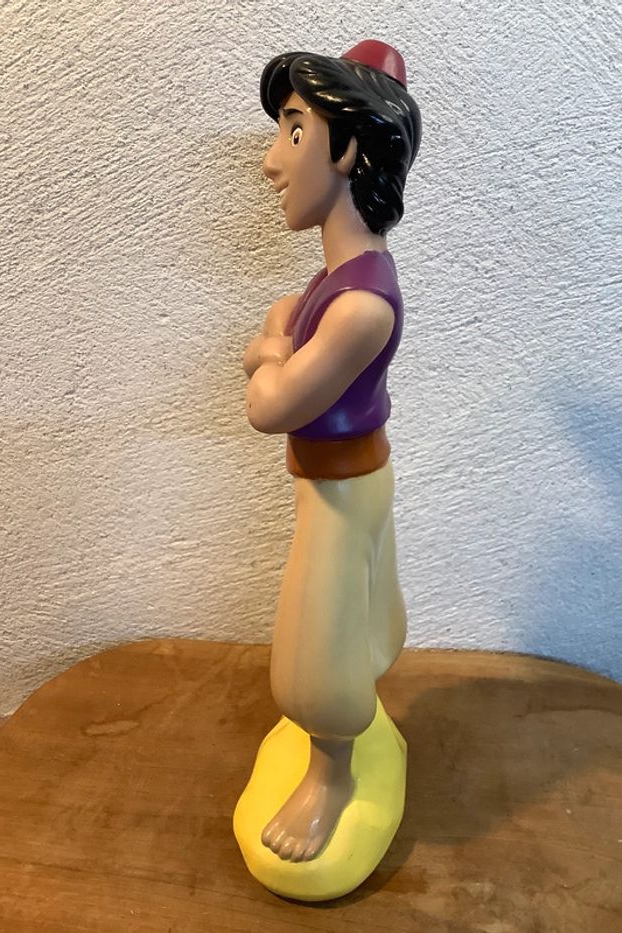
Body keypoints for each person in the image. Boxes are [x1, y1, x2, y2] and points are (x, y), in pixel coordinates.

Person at [243, 40, 421, 865]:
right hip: (335, 485)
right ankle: (332, 756)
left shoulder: (358, 308)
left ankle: (332, 776)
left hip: (344, 492)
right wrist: (278, 341)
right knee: (341, 619)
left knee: (317, 652)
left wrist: (270, 350)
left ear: (347, 150)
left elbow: (268, 405)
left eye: (292, 131)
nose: (271, 161)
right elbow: (282, 326)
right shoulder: (335, 281)